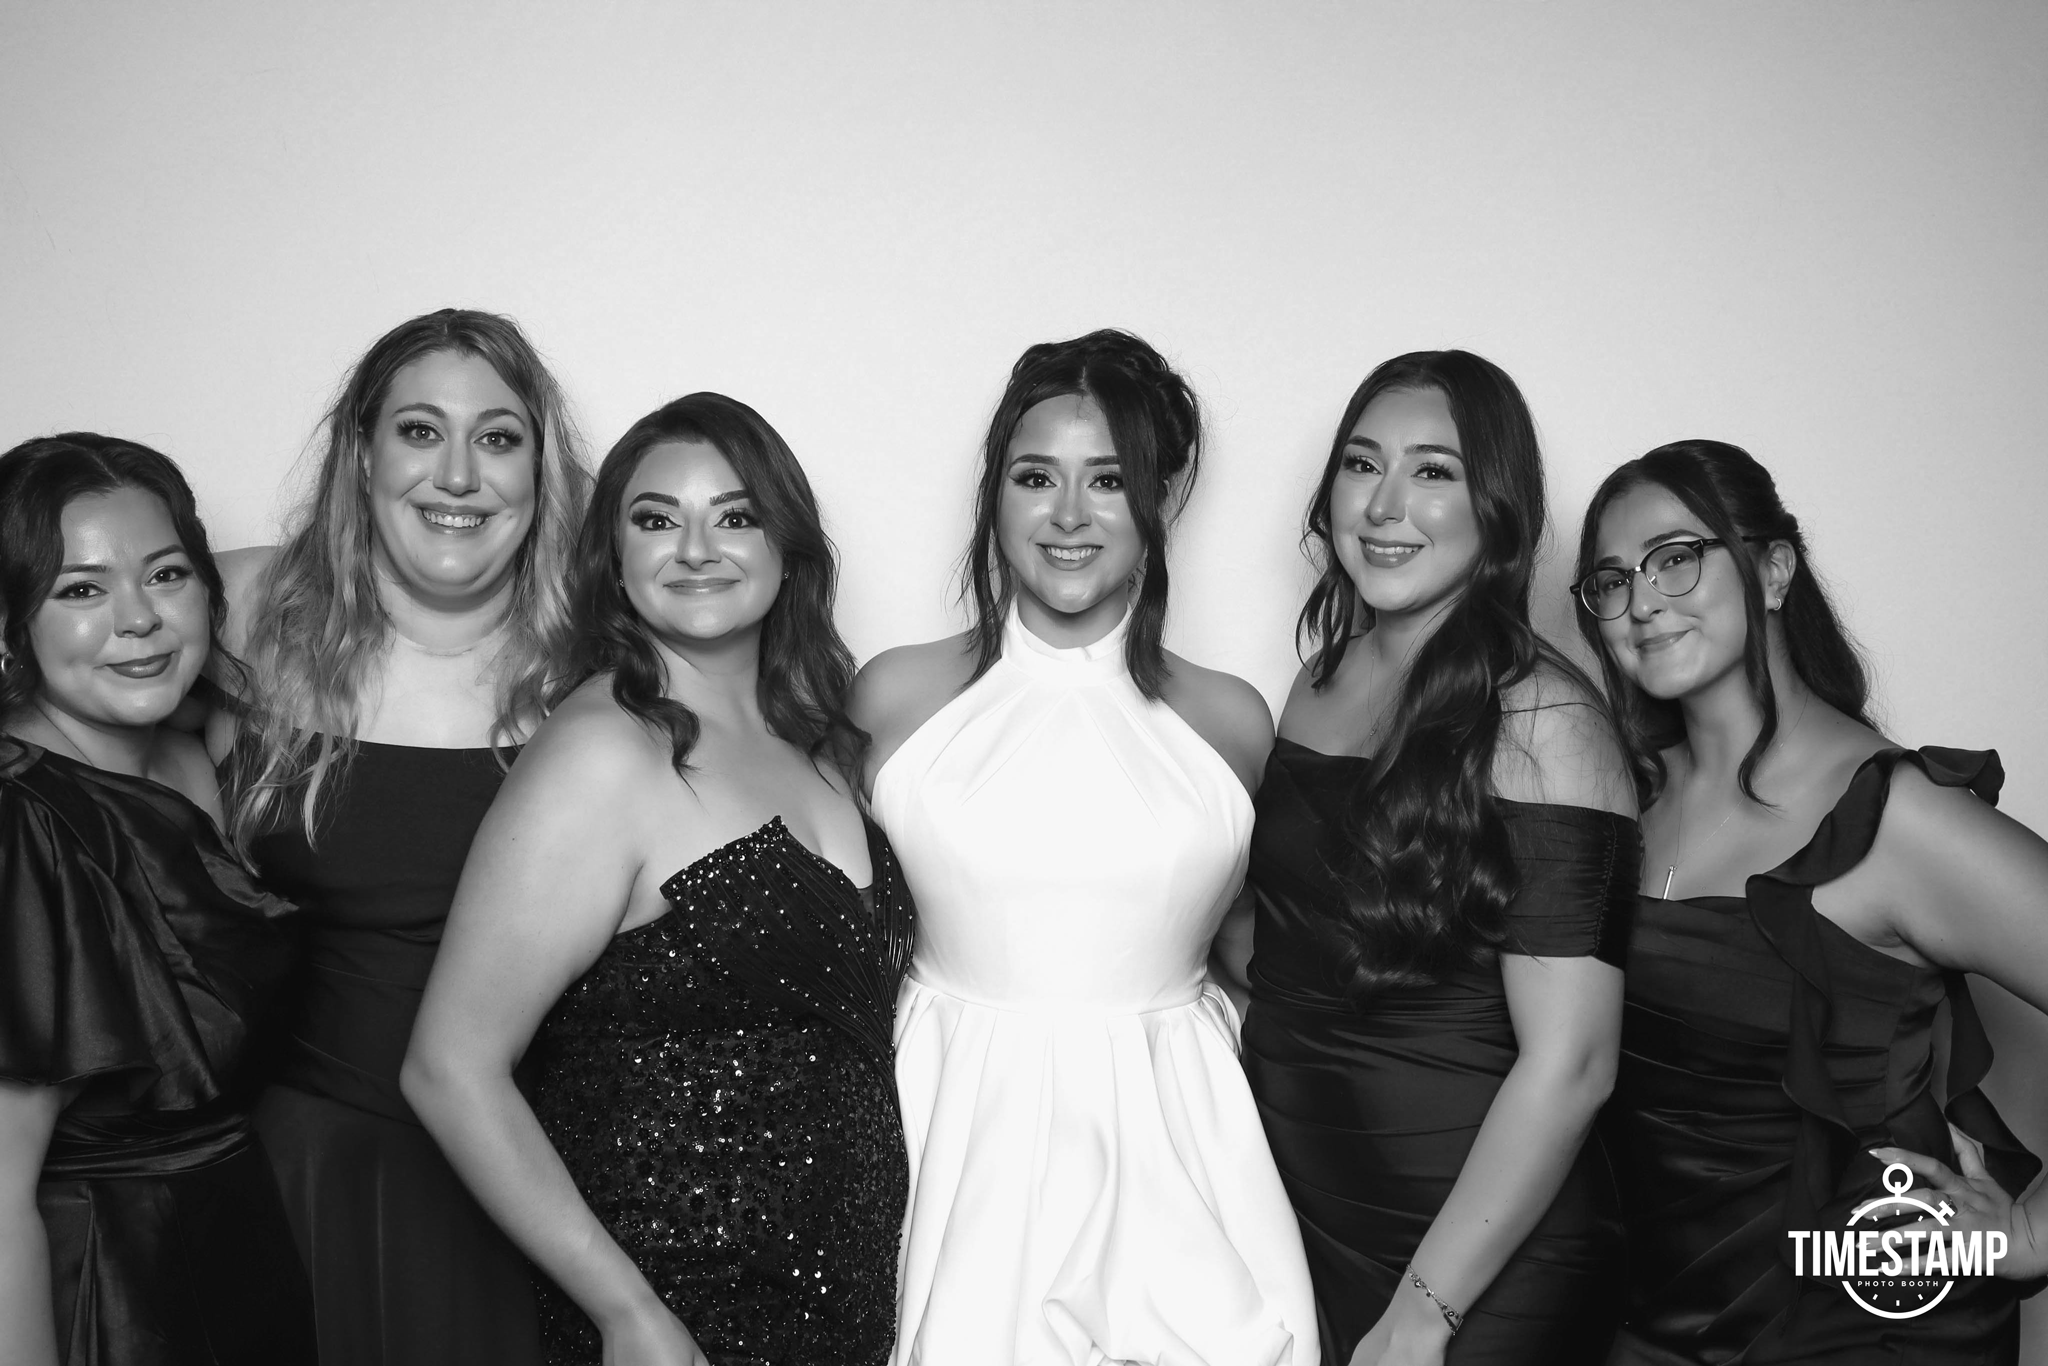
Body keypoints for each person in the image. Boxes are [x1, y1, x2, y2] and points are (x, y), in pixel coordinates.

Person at [403, 392, 913, 1366]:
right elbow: (449, 1066)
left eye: (734, 515)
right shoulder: (601, 751)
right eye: (655, 519)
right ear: (615, 555)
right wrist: (627, 1314)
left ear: (786, 546)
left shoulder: (815, 738)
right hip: (677, 1312)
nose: (695, 548)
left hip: (836, 1306)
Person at [852, 329, 1319, 1365]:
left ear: (1155, 499)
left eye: (1107, 480)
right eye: (1035, 478)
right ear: (995, 496)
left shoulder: (1232, 722)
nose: (1067, 516)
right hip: (945, 1117)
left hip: (1178, 1129)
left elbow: (1266, 946)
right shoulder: (893, 697)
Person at [1574, 438, 2048, 1364]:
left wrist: (2028, 1236)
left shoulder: (1900, 819)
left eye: (1676, 558)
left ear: (1774, 567)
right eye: (1610, 580)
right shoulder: (1620, 798)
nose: (1642, 602)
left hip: (1858, 1334)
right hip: (1653, 1315)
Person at [1227, 351, 1639, 1366]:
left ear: (1496, 506)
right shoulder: (1317, 682)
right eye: (1362, 465)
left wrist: (1424, 1315)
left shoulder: (1544, 718)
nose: (1384, 504)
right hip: (1304, 1205)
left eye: (1434, 471)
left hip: (1466, 1254)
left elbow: (1574, 1061)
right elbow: (1281, 935)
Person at [216, 308, 590, 1365]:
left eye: (499, 437)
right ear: (362, 452)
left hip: (528, 1183)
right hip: (301, 1171)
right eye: (421, 431)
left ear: (538, 468)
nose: (459, 475)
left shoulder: (606, 668)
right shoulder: (248, 613)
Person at [0, 433, 315, 1366]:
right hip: (99, 1289)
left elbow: (339, 570)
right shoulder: (21, 821)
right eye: (81, 590)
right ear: (13, 624)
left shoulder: (194, 757)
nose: (137, 620)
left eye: (166, 575)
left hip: (234, 1255)